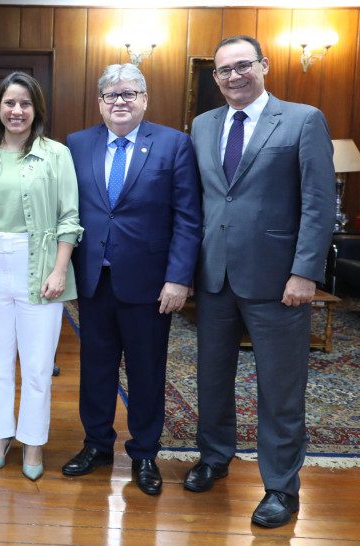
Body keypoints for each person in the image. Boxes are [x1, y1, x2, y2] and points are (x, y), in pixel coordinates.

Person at [186, 35, 335, 528]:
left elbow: (318, 203)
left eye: (242, 65)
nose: (234, 76)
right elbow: (203, 201)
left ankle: (280, 487)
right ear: (215, 78)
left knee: (280, 387)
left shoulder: (302, 120)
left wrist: (305, 272)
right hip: (214, 276)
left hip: (278, 282)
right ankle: (214, 457)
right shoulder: (203, 125)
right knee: (212, 377)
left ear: (263, 65)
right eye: (224, 70)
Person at [63, 63, 201, 496]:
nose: (119, 102)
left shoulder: (174, 144)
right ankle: (97, 444)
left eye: (129, 94)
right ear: (99, 102)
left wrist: (178, 278)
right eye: (111, 95)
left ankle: (144, 453)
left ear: (144, 99)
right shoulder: (77, 144)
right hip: (94, 281)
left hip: (150, 284)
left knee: (146, 372)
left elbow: (188, 218)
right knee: (95, 369)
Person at [0, 72, 82, 481]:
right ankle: (0, 435)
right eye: (9, 103)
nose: (16, 111)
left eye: (25, 104)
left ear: (37, 110)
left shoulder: (57, 155)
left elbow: (70, 217)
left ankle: (33, 441)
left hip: (40, 265)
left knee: (37, 365)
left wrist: (59, 269)